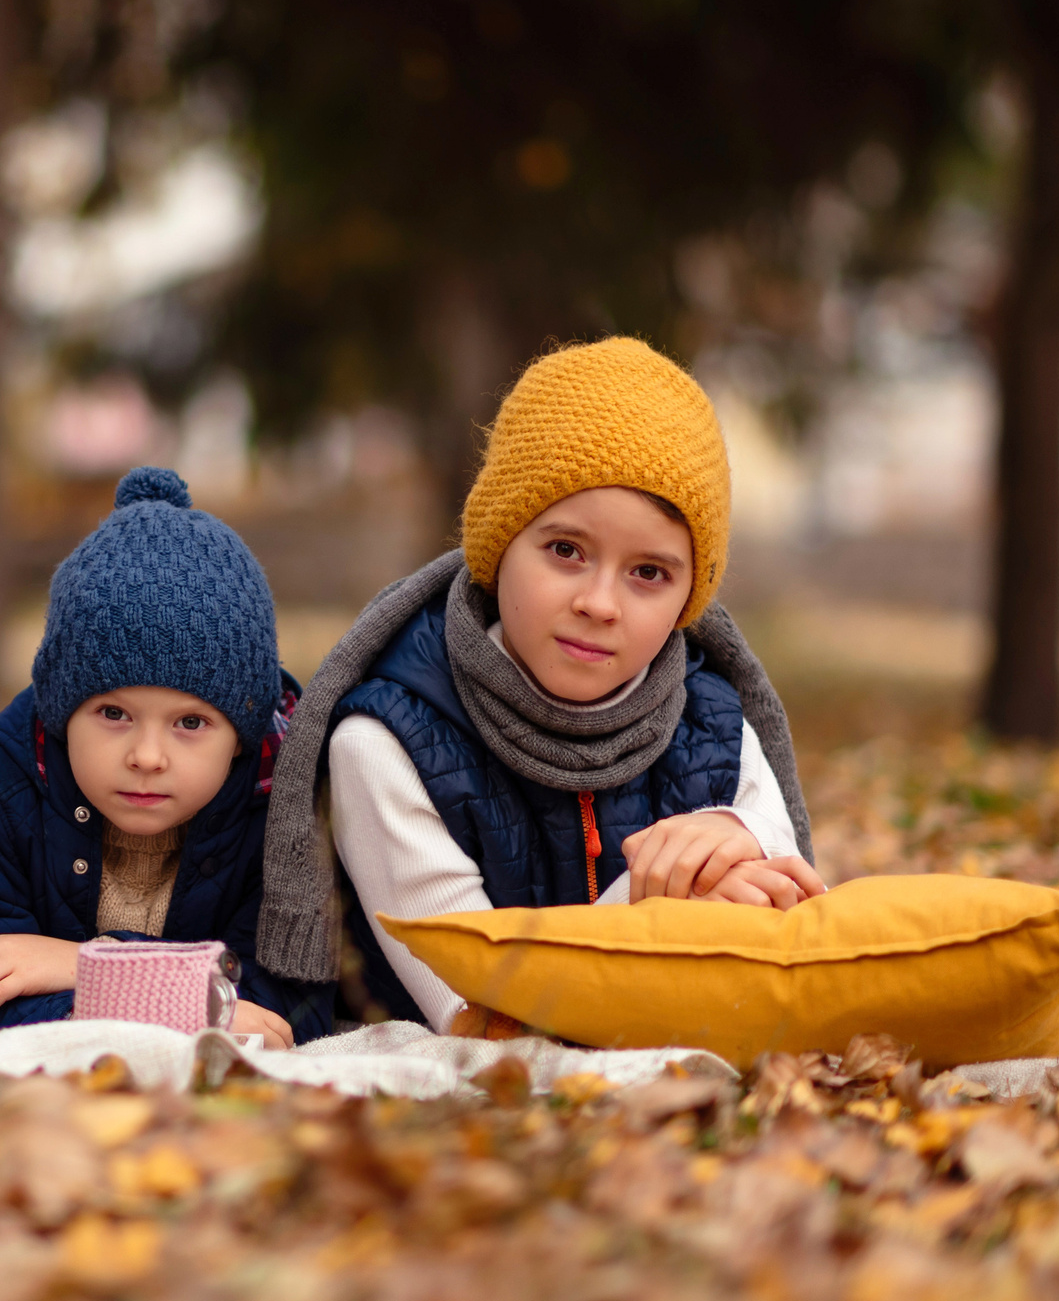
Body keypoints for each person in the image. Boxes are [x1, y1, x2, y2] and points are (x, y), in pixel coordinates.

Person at [254, 338, 822, 1030]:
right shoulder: (384, 745)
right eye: (566, 551)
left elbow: (798, 940)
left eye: (650, 573)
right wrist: (662, 912)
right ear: (500, 544)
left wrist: (743, 835)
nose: (601, 603)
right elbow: (479, 1008)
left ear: (689, 597)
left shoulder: (715, 726)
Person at [0, 468, 334, 1044]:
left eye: (190, 723)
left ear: (241, 736)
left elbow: (288, 1013)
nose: (147, 756)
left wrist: (85, 966)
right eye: (113, 715)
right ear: (63, 712)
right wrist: (196, 1003)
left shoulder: (277, 818)